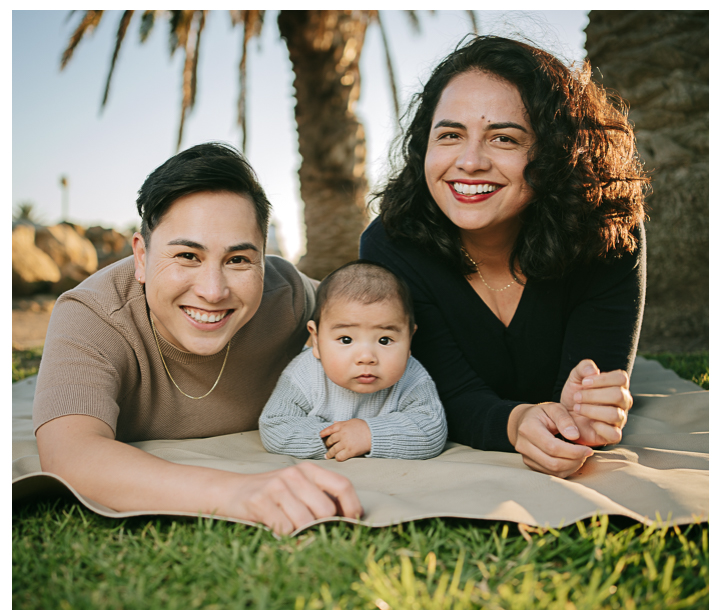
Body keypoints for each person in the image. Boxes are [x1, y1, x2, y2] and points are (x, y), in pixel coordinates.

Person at [33, 143, 361, 535]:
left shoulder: (288, 293)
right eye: (188, 255)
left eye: (238, 260)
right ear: (141, 257)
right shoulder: (92, 314)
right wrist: (238, 493)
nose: (212, 291)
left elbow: (382, 323)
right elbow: (70, 453)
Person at [361, 35, 648, 479]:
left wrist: (583, 417)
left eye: (504, 139)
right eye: (451, 135)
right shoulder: (389, 245)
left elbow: (588, 388)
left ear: (555, 150)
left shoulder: (607, 233)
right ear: (424, 147)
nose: (470, 162)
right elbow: (437, 393)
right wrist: (515, 424)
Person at [259, 260, 447, 460]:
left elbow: (431, 430)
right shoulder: (303, 373)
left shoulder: (412, 376)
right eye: (346, 339)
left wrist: (370, 435)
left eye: (385, 340)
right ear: (316, 340)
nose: (366, 357)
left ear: (409, 340)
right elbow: (275, 425)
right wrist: (337, 439)